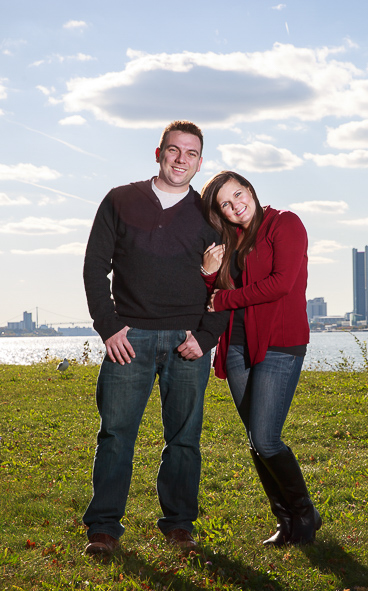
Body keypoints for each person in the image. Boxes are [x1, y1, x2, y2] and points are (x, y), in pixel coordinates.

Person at [81, 121, 227, 555]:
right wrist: (108, 327)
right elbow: (94, 267)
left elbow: (227, 286)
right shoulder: (120, 200)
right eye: (175, 150)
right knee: (116, 434)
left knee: (184, 437)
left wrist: (206, 337)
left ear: (200, 162)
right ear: (158, 152)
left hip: (187, 341)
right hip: (130, 337)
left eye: (192, 153)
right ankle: (104, 529)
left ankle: (180, 525)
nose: (182, 159)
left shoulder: (208, 214)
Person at [200, 170, 322, 546]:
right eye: (226, 203)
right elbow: (214, 293)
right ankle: (285, 520)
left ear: (250, 189)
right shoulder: (227, 241)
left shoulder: (284, 224)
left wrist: (224, 299)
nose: (237, 204)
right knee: (255, 439)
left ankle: (305, 514)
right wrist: (207, 274)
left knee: (267, 439)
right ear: (220, 212)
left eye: (239, 193)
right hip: (235, 346)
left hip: (279, 344)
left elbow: (281, 283)